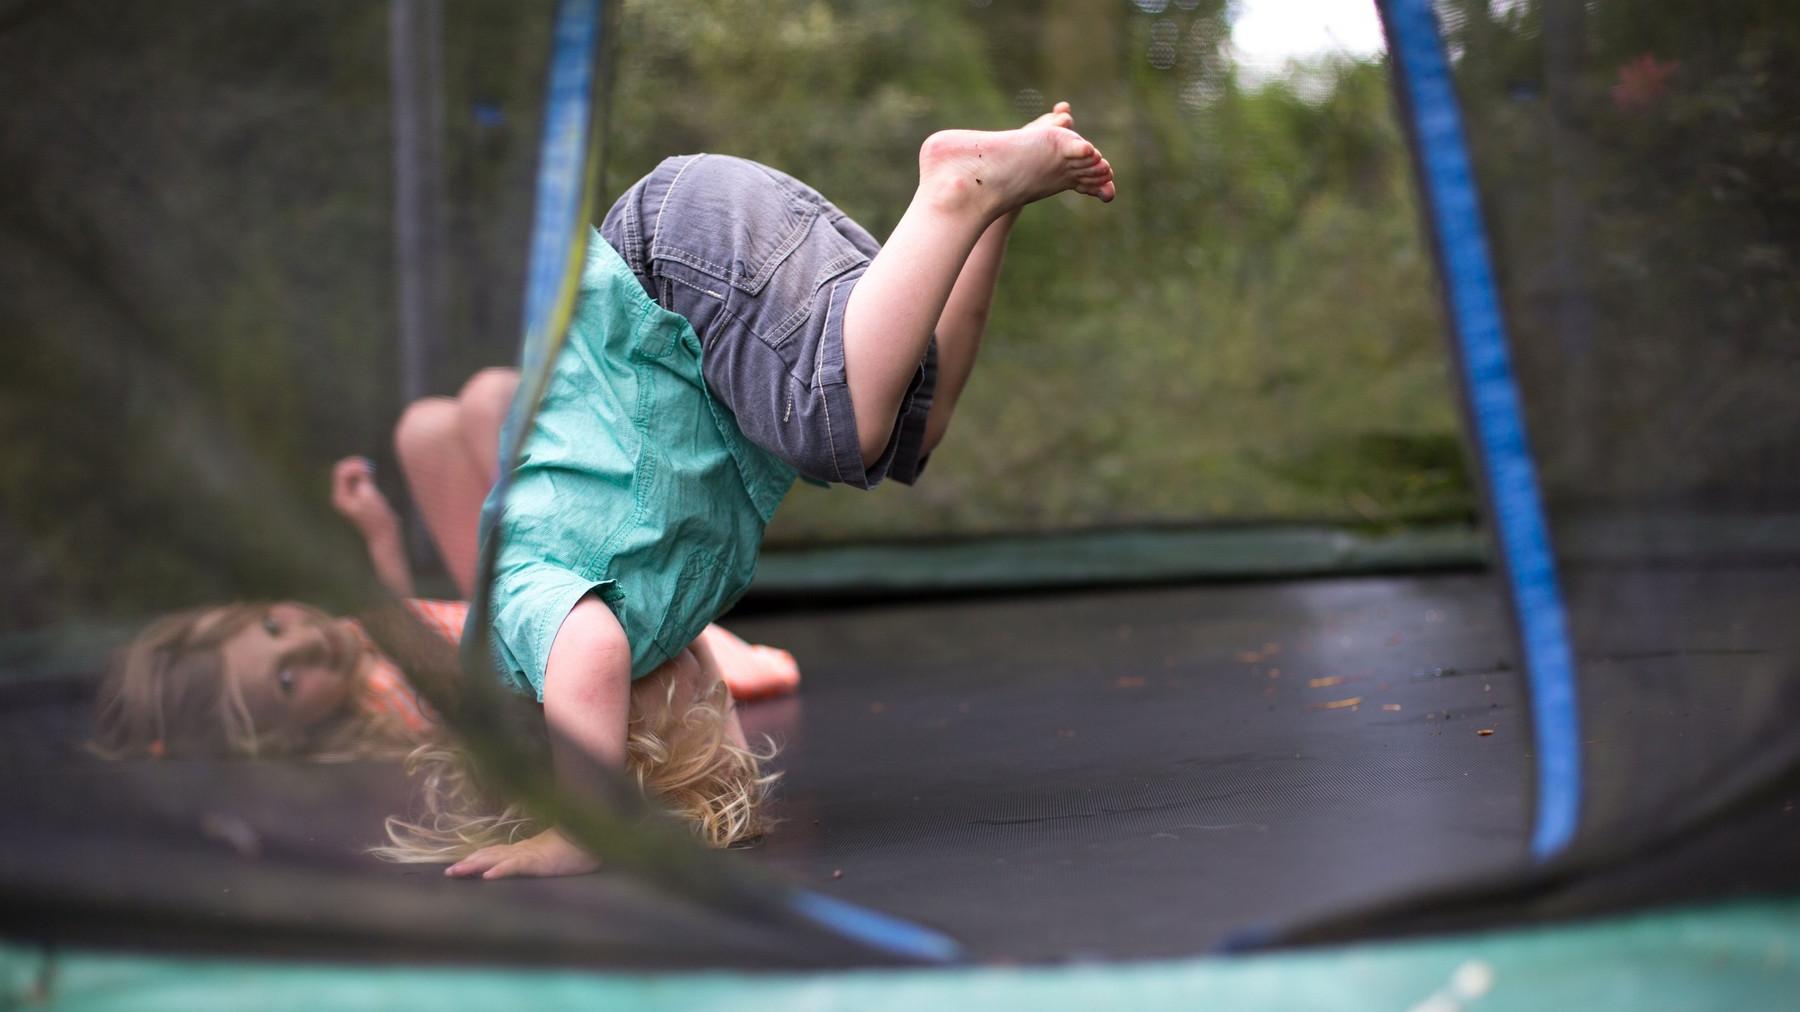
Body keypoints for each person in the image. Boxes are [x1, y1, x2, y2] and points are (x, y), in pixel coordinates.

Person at [441, 103, 1115, 879]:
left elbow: (587, 656)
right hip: (706, 265)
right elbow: (671, 689)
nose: (708, 703)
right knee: (907, 428)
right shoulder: (651, 608)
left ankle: (955, 190)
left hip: (671, 267)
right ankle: (987, 207)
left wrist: (582, 825)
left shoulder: (515, 637)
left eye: (682, 727)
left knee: (841, 425)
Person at [92, 368, 803, 850]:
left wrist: (379, 534)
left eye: (275, 627)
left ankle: (564, 494)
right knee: (492, 400)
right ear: (284, 740)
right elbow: (440, 670)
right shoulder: (375, 722)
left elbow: (399, 617)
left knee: (425, 430)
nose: (305, 644)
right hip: (571, 630)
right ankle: (587, 501)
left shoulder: (348, 648)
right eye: (286, 681)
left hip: (510, 603)